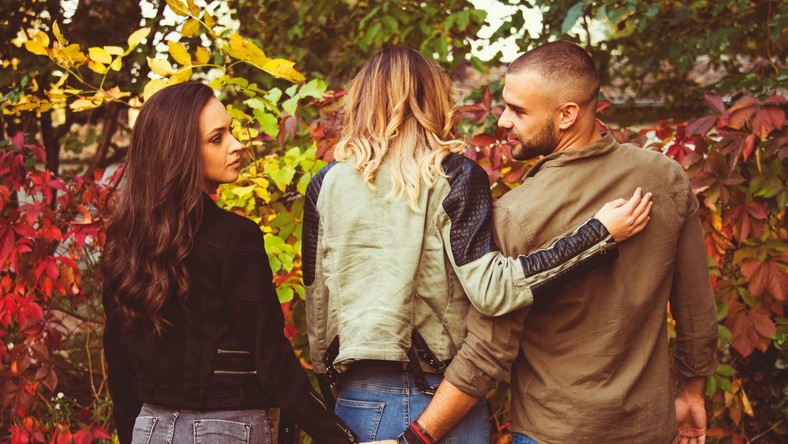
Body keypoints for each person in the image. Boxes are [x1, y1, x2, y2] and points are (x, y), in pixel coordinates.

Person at [302, 47, 652, 443]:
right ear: (433, 99)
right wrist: (597, 236)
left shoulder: (324, 184)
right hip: (439, 401)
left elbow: (318, 306)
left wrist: (333, 392)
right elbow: (493, 291)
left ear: (361, 99)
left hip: (357, 401)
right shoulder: (454, 175)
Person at [394, 41, 719, 444]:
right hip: (650, 430)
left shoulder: (516, 214)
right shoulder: (665, 178)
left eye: (518, 111)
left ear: (567, 114)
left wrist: (420, 436)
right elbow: (696, 308)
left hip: (554, 432)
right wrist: (691, 392)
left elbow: (488, 352)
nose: (503, 121)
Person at [101, 82, 364, 444]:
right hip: (224, 429)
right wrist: (341, 438)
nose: (236, 144)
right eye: (217, 138)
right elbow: (271, 359)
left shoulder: (125, 241)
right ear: (179, 152)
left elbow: (120, 366)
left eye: (231, 132)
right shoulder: (234, 238)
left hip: (150, 428)